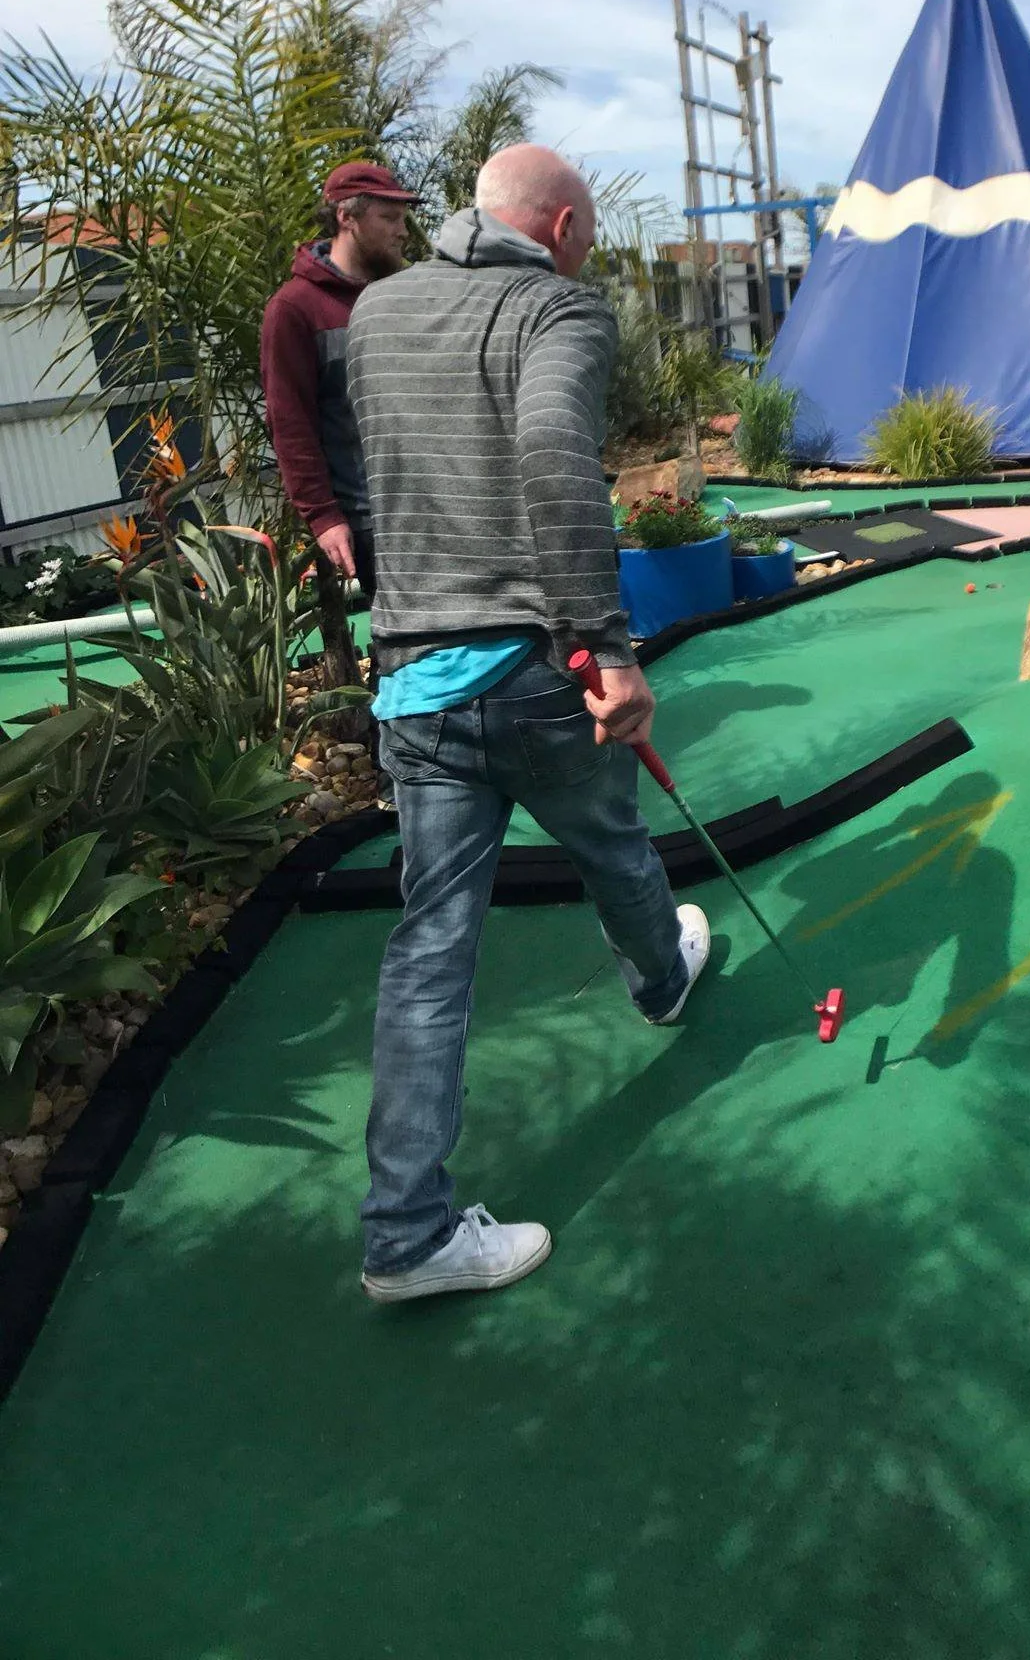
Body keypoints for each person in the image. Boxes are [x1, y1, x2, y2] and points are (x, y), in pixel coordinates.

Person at [346, 144, 712, 1306]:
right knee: (610, 843)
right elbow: (559, 464)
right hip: (536, 669)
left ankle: (405, 1234)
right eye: (589, 238)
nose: (589, 255)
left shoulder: (378, 311)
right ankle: (661, 979)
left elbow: (388, 483)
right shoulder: (559, 304)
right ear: (557, 228)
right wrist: (611, 648)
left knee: (430, 948)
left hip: (412, 679)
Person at [260, 160, 418, 599]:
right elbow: (290, 424)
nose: (402, 231)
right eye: (389, 218)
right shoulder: (295, 309)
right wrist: (325, 518)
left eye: (402, 218)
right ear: (346, 218)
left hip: (439, 503)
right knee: (413, 647)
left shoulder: (405, 294)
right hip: (374, 519)